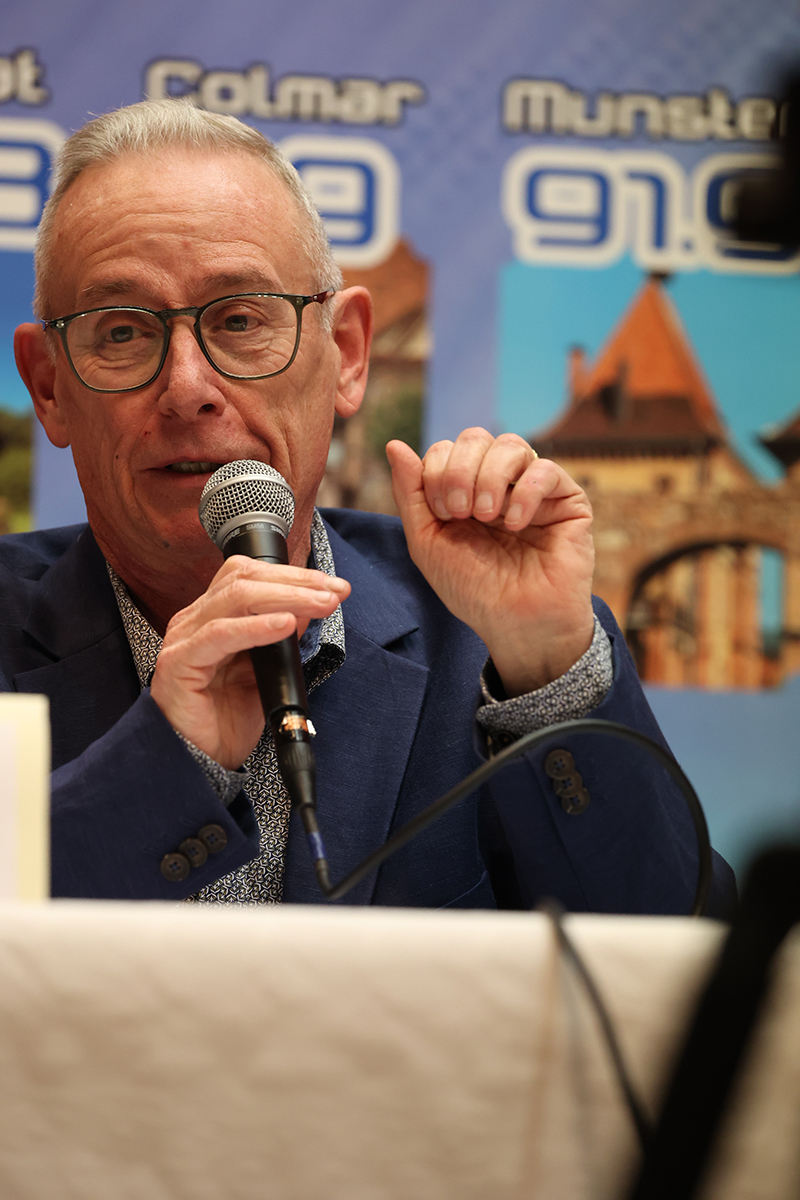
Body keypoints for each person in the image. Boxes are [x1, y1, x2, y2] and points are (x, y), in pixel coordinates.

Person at [5, 99, 733, 912]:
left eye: (240, 319)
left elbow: (688, 957)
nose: (187, 388)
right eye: (121, 332)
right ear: (49, 388)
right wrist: (165, 767)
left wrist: (549, 669)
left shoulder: (478, 635)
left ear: (347, 354)